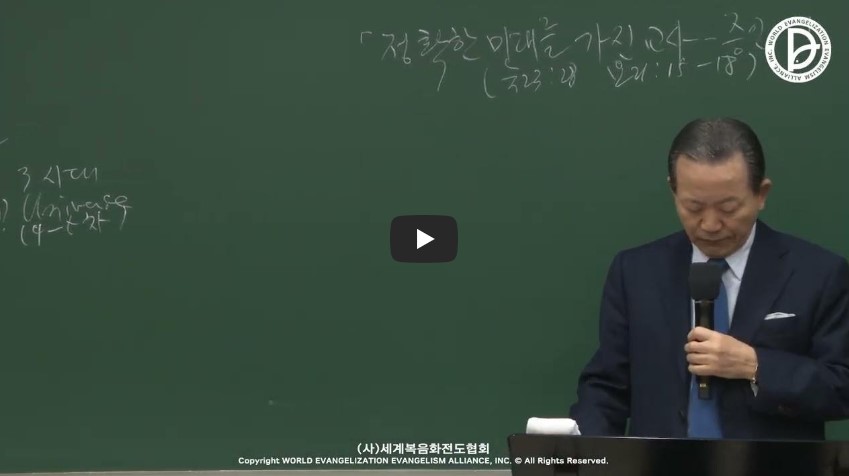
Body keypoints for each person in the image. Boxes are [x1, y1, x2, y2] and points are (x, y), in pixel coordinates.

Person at [568, 117, 849, 439]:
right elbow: (607, 387)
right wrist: (580, 451)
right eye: (693, 207)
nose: (710, 225)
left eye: (728, 208)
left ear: (761, 194)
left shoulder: (818, 273)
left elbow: (841, 386)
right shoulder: (635, 272)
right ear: (673, 191)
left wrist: (756, 366)